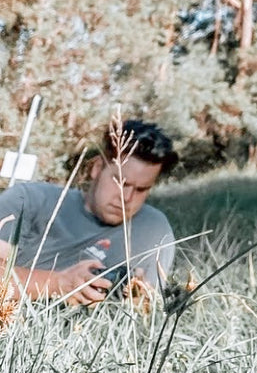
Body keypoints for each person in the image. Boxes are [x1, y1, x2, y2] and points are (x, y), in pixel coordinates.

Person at [0, 119, 178, 305]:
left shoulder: (153, 230)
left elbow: (150, 311)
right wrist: (59, 283)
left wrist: (139, 299)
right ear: (97, 167)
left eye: (141, 189)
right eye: (120, 182)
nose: (127, 197)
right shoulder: (29, 199)